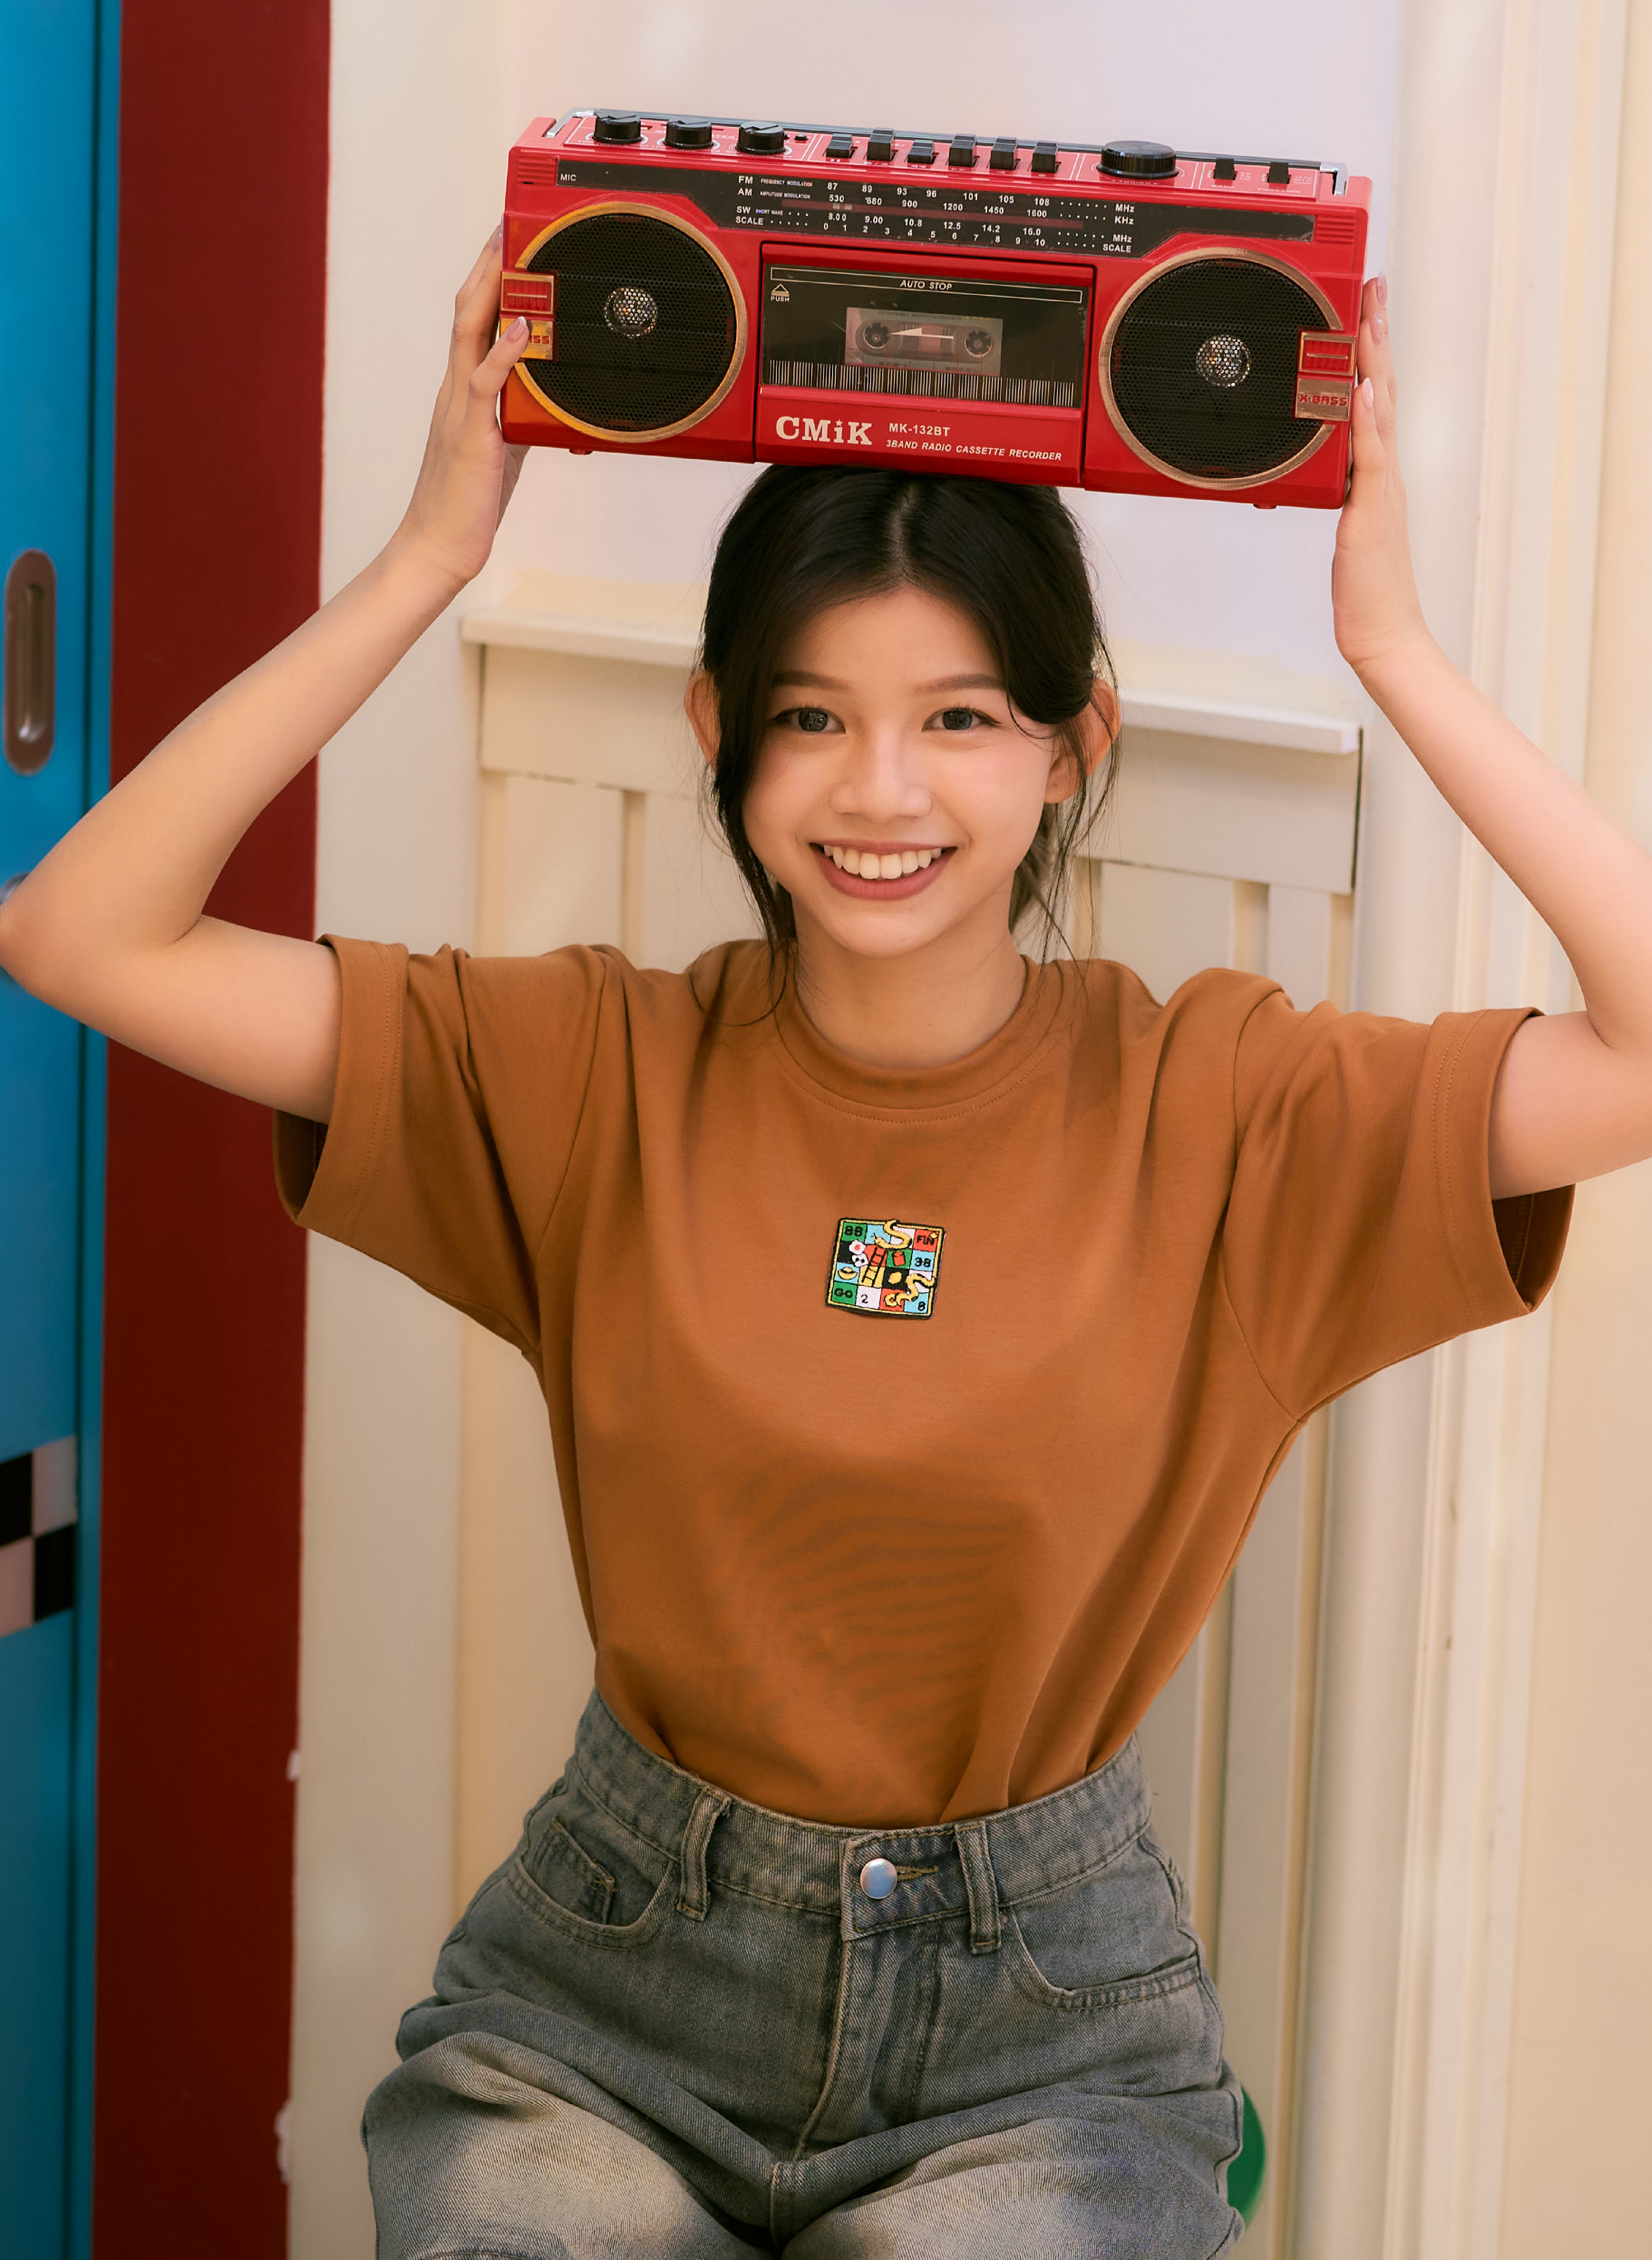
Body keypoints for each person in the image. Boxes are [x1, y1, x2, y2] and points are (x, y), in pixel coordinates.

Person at [3, 228, 1644, 2257]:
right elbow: (79, 933)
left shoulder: (1237, 1111)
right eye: (811, 717)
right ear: (720, 733)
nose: (883, 792)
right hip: (608, 2009)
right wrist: (436, 556)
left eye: (962, 718)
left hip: (1049, 2047)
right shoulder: (589, 1066)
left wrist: (1390, 651)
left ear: (1078, 744)